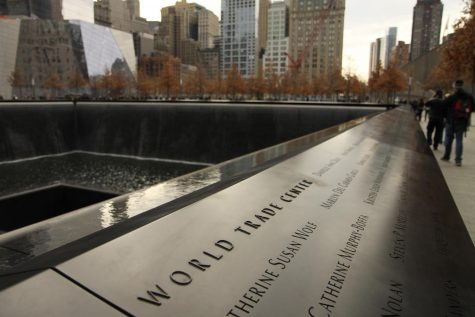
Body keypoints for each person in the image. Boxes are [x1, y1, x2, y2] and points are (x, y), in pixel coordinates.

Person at [441, 80, 474, 166]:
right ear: (462, 85)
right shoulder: (468, 96)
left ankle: (446, 156)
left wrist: (446, 117)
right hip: (462, 121)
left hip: (451, 120)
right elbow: (473, 107)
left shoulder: (452, 96)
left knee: (449, 139)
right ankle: (458, 160)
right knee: (459, 140)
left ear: (455, 85)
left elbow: (443, 105)